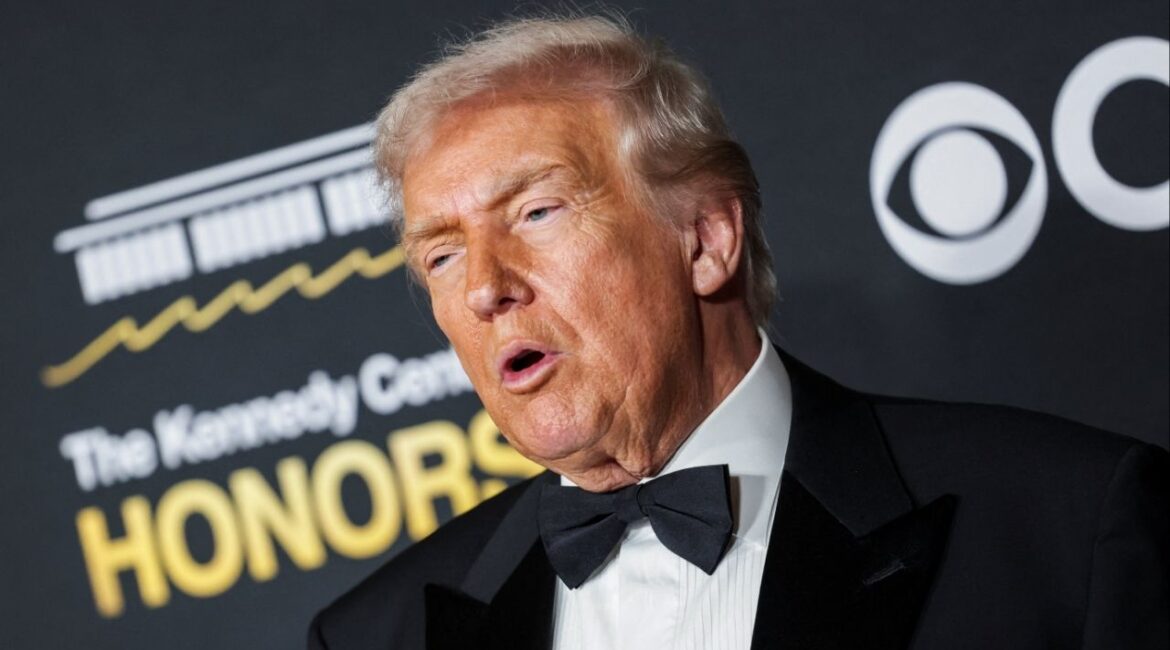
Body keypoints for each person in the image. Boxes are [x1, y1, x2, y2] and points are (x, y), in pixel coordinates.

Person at [307, 13, 1168, 650]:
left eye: (536, 211)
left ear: (707, 240)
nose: (488, 288)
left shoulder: (1066, 527)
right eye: (444, 257)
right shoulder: (370, 638)